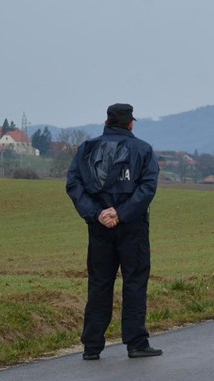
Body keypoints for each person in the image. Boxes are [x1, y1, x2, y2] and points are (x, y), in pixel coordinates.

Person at [66, 103, 162, 360]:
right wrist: (121, 213)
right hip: (132, 227)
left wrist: (97, 213)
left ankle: (92, 346)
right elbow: (147, 188)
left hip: (99, 228)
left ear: (107, 122)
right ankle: (136, 343)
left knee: (99, 283)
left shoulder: (87, 149)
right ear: (131, 123)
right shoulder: (143, 150)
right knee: (134, 282)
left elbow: (74, 184)